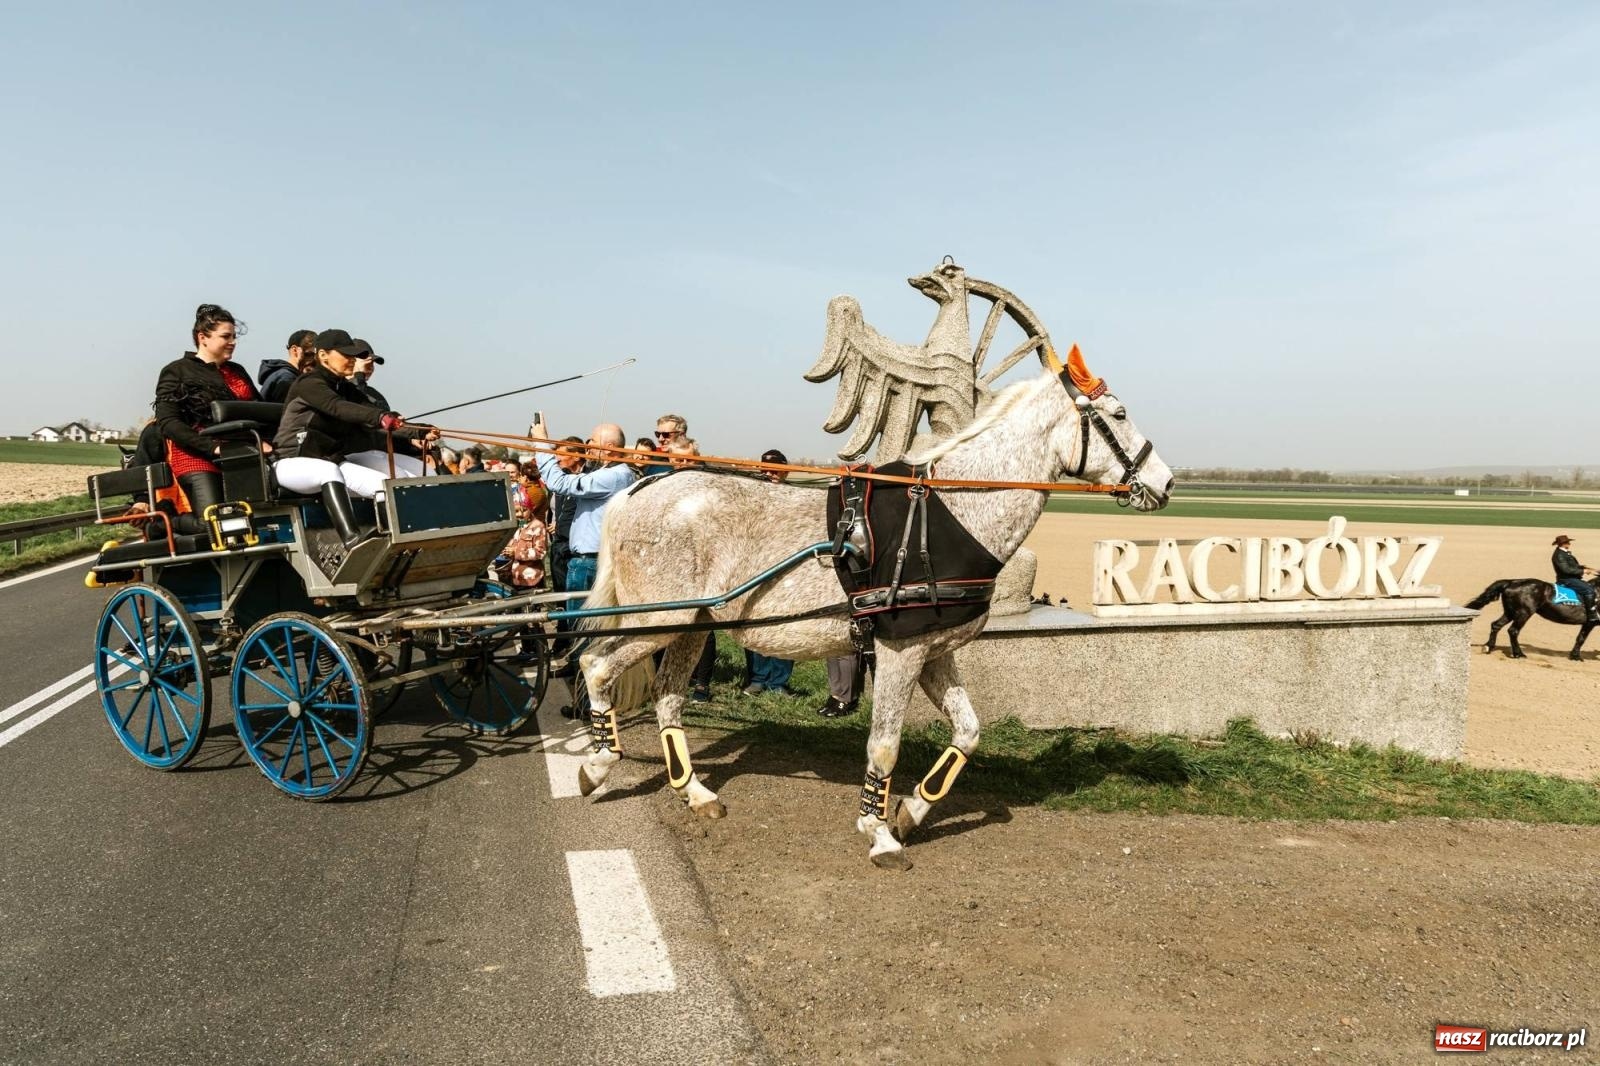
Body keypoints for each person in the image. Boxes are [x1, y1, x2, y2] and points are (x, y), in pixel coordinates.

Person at [274, 328, 437, 554]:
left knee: (417, 471)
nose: (352, 360)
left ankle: (431, 535)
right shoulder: (309, 383)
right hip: (293, 462)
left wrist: (419, 432)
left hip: (333, 460)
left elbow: (371, 411)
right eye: (346, 355)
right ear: (323, 356)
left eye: (354, 356)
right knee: (359, 480)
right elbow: (339, 408)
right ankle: (354, 542)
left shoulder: (345, 387)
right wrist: (381, 417)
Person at [533, 418, 637, 716]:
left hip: (590, 564)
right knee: (586, 633)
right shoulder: (609, 472)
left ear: (607, 447)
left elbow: (560, 482)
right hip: (585, 561)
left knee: (585, 635)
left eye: (591, 442)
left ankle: (588, 703)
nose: (587, 446)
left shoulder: (616, 475)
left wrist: (541, 442)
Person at [153, 303, 264, 533]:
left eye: (234, 336)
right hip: (197, 456)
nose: (233, 341)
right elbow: (168, 423)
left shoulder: (238, 371)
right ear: (203, 337)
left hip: (240, 455)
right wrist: (211, 447)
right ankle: (159, 525)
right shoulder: (177, 371)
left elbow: (259, 409)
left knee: (249, 522)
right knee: (212, 524)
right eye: (226, 336)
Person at [258, 329, 318, 403]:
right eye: (309, 354)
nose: (314, 360)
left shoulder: (285, 375)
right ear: (295, 351)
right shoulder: (286, 378)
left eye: (317, 356)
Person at [1552, 535, 1600, 623]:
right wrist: (1583, 571)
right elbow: (1566, 569)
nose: (1569, 543)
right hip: (1567, 579)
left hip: (1571, 577)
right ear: (1563, 544)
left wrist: (1586, 567)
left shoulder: (1564, 553)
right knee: (1589, 590)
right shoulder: (1559, 555)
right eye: (1567, 542)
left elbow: (1572, 566)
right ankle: (1592, 615)